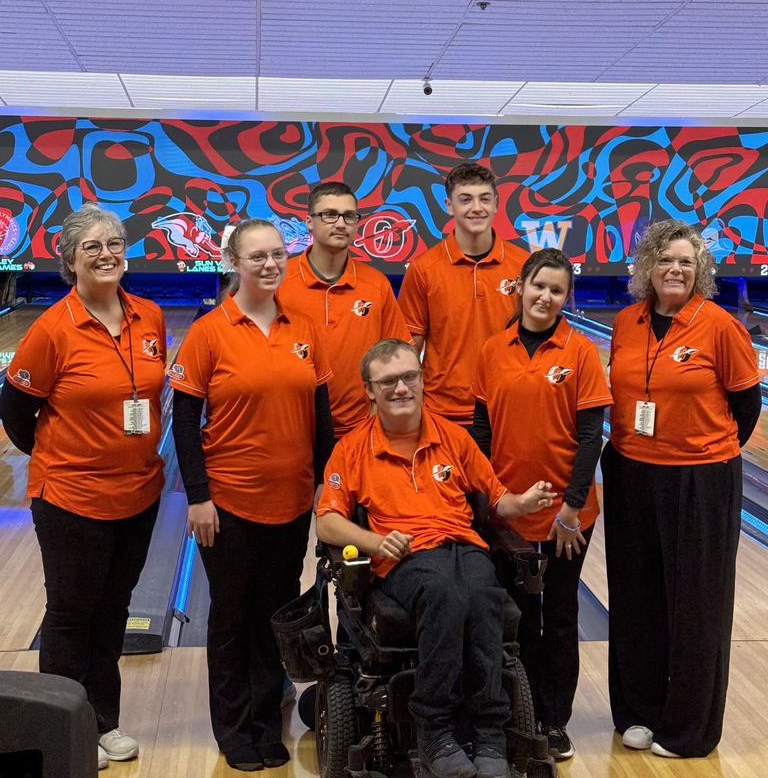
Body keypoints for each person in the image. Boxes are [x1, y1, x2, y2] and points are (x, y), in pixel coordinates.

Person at [316, 338, 554, 778]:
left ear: (423, 380)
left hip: (463, 547)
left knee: (484, 595)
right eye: (388, 381)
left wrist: (524, 501)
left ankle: (489, 735)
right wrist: (374, 540)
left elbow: (497, 500)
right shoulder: (351, 448)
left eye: (409, 377)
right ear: (369, 389)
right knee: (445, 592)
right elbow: (327, 521)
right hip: (407, 557)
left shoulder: (454, 437)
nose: (401, 388)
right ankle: (434, 731)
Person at [0, 204, 167, 772]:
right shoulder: (51, 329)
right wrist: (62, 458)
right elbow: (17, 411)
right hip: (71, 498)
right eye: (92, 246)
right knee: (72, 616)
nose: (107, 253)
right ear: (70, 260)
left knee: (112, 613)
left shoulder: (150, 317)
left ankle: (104, 722)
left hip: (139, 494)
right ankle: (64, 732)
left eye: (115, 242)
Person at [170, 218, 335, 773]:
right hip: (229, 501)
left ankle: (268, 724)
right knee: (232, 618)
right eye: (256, 256)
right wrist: (198, 497)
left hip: (290, 503)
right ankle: (234, 729)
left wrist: (324, 488)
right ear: (232, 262)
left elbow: (322, 418)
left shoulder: (303, 327)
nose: (269, 265)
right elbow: (186, 422)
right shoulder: (209, 331)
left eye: (277, 256)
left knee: (276, 617)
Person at [603, 219, 761, 759]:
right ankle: (639, 712)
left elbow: (745, 408)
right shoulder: (626, 322)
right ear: (647, 266)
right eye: (665, 260)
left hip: (699, 479)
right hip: (630, 471)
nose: (675, 269)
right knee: (635, 598)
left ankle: (689, 729)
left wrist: (697, 450)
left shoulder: (720, 326)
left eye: (686, 262)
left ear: (701, 272)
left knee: (696, 605)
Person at [472, 248, 612, 761]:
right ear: (520, 287)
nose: (545, 297)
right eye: (538, 286)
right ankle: (515, 714)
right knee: (516, 615)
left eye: (556, 290)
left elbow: (592, 436)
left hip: (567, 518)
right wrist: (492, 499)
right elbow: (481, 431)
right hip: (509, 513)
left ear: (565, 298)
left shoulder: (579, 352)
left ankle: (553, 721)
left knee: (559, 615)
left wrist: (571, 509)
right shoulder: (492, 350)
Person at [397, 161, 527, 428]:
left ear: (496, 203)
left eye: (484, 199)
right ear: (449, 205)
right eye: (465, 199)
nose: (476, 208)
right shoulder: (423, 269)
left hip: (508, 407)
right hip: (442, 412)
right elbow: (410, 347)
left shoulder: (523, 265)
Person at [280, 180, 413, 438]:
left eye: (349, 216)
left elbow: (395, 355)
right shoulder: (280, 282)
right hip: (292, 430)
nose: (341, 224)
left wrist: (377, 411)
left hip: (359, 430)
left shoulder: (376, 284)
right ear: (309, 221)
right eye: (329, 215)